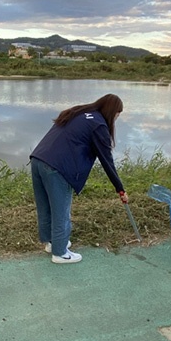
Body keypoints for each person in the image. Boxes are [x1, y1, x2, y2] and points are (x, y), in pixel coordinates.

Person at [30, 93, 128, 264]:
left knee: (45, 207)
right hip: (58, 168)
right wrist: (120, 189)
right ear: (112, 112)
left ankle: (52, 244)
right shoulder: (99, 125)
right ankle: (60, 253)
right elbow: (107, 161)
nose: (116, 119)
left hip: (38, 159)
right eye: (117, 115)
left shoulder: (78, 113)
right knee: (61, 211)